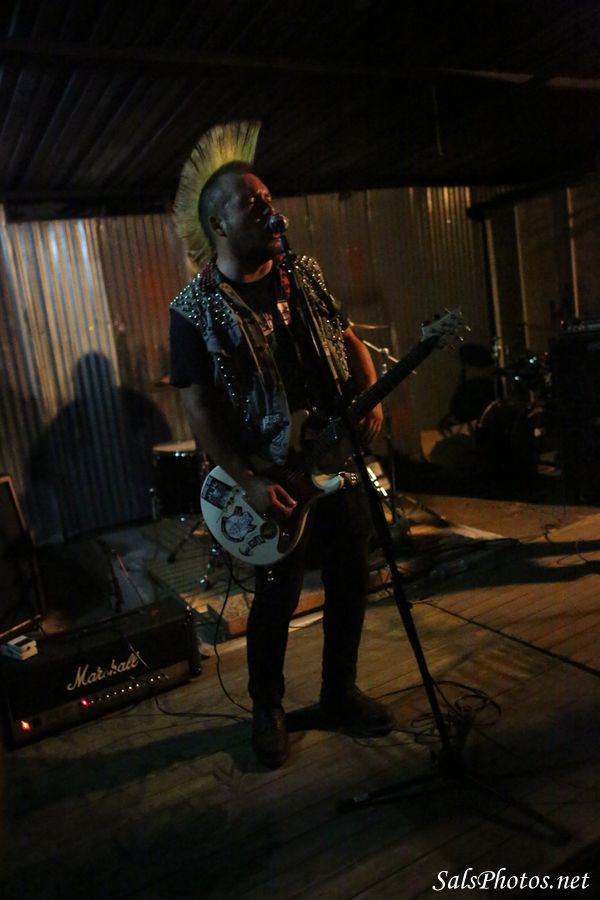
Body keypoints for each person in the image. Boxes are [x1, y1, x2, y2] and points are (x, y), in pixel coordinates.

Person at [169, 135, 394, 768]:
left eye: (269, 198)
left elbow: (347, 336)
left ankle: (339, 693)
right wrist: (246, 480)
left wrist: (369, 391)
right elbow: (198, 408)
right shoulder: (193, 309)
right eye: (251, 202)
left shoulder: (304, 273)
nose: (270, 210)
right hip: (270, 470)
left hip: (332, 454)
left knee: (351, 573)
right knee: (278, 595)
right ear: (218, 223)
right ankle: (267, 708)